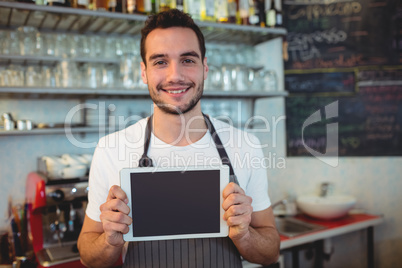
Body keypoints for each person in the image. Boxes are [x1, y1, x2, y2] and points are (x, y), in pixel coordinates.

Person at [77, 9, 280, 268]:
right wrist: (109, 239)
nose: (175, 75)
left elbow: (271, 251)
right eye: (160, 62)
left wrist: (245, 235)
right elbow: (87, 256)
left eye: (188, 60)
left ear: (204, 68)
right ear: (144, 72)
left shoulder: (245, 146)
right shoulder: (110, 149)